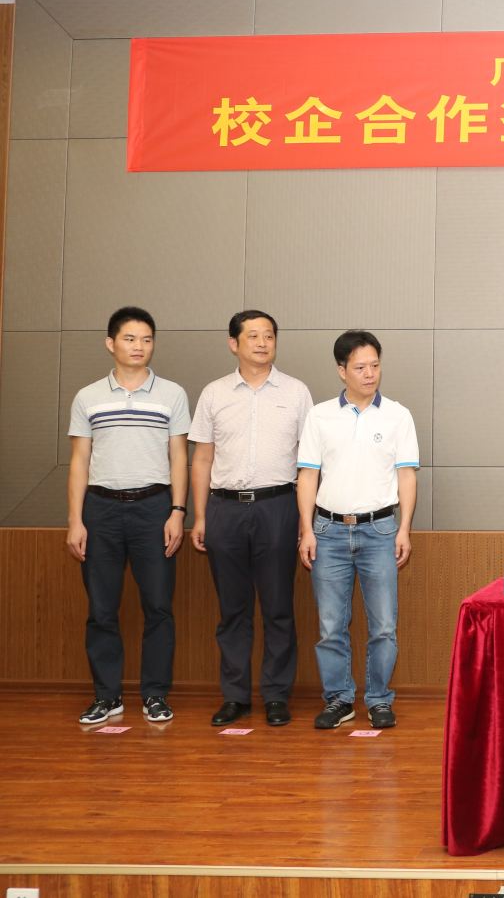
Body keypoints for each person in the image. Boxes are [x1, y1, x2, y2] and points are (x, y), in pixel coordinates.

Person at [66, 306, 191, 725]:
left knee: (158, 606)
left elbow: (179, 456)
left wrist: (177, 511)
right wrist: (75, 520)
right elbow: (79, 460)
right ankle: (107, 696)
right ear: (111, 343)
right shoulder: (87, 397)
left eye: (147, 339)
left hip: (154, 508)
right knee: (101, 608)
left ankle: (155, 694)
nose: (139, 347)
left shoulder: (172, 394)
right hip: (100, 510)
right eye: (130, 339)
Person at [189, 309, 314, 728]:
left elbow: (310, 461)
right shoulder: (214, 393)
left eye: (269, 336)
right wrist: (200, 516)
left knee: (278, 607)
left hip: (277, 505)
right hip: (224, 508)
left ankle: (276, 695)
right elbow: (201, 458)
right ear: (234, 344)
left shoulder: (296, 392)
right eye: (253, 336)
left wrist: (305, 520)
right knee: (233, 609)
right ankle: (235, 696)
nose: (262, 343)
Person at [296, 330, 419, 730]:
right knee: (330, 626)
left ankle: (379, 699)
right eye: (360, 367)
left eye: (375, 365)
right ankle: (339, 699)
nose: (369, 374)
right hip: (328, 531)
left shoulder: (398, 415)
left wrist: (404, 529)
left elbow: (407, 477)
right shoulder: (319, 416)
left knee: (383, 626)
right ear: (341, 370)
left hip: (380, 531)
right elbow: (307, 477)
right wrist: (306, 530)